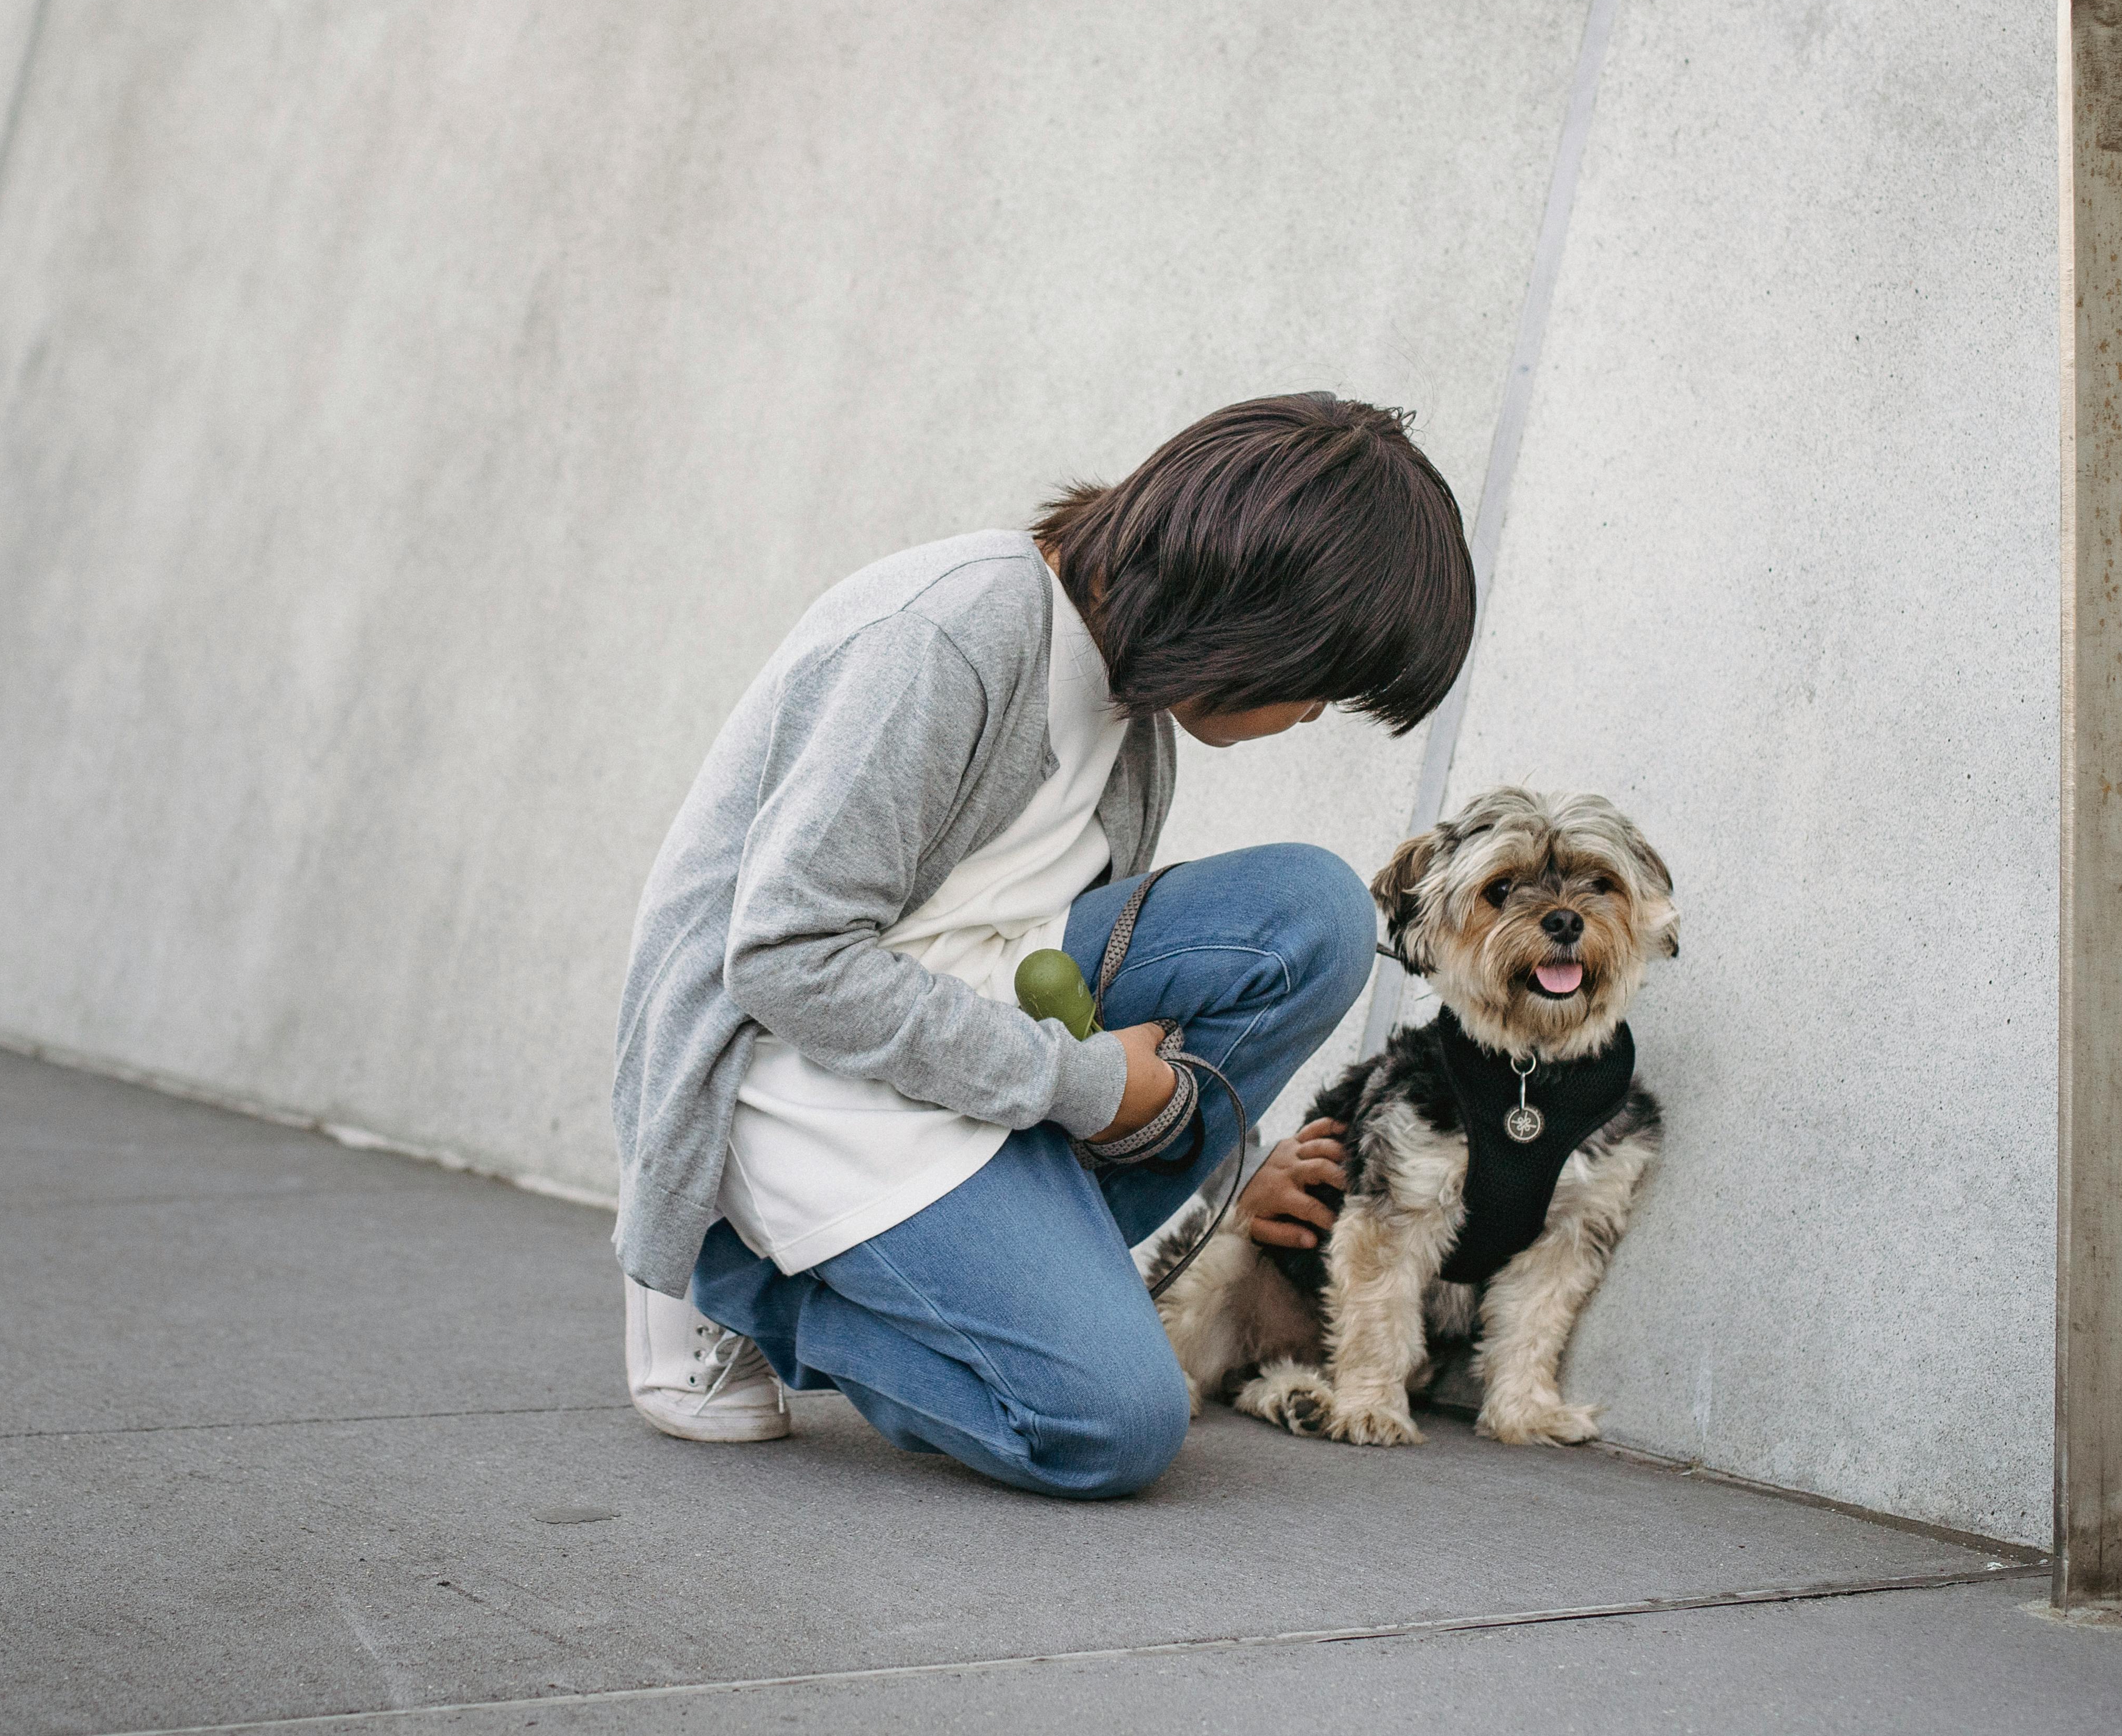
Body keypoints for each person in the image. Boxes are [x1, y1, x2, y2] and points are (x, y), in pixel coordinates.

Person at [611, 392, 1476, 1499]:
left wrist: (1153, 1125)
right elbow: (786, 960)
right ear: (1250, 610)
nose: (1308, 715)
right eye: (1316, 679)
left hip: (963, 1037)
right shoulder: (952, 635)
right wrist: (1082, 1082)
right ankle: (737, 1275)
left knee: (1315, 913)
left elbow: (1035, 956)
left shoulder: (1131, 706)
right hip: (788, 1072)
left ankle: (1024, 1279)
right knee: (1106, 1427)